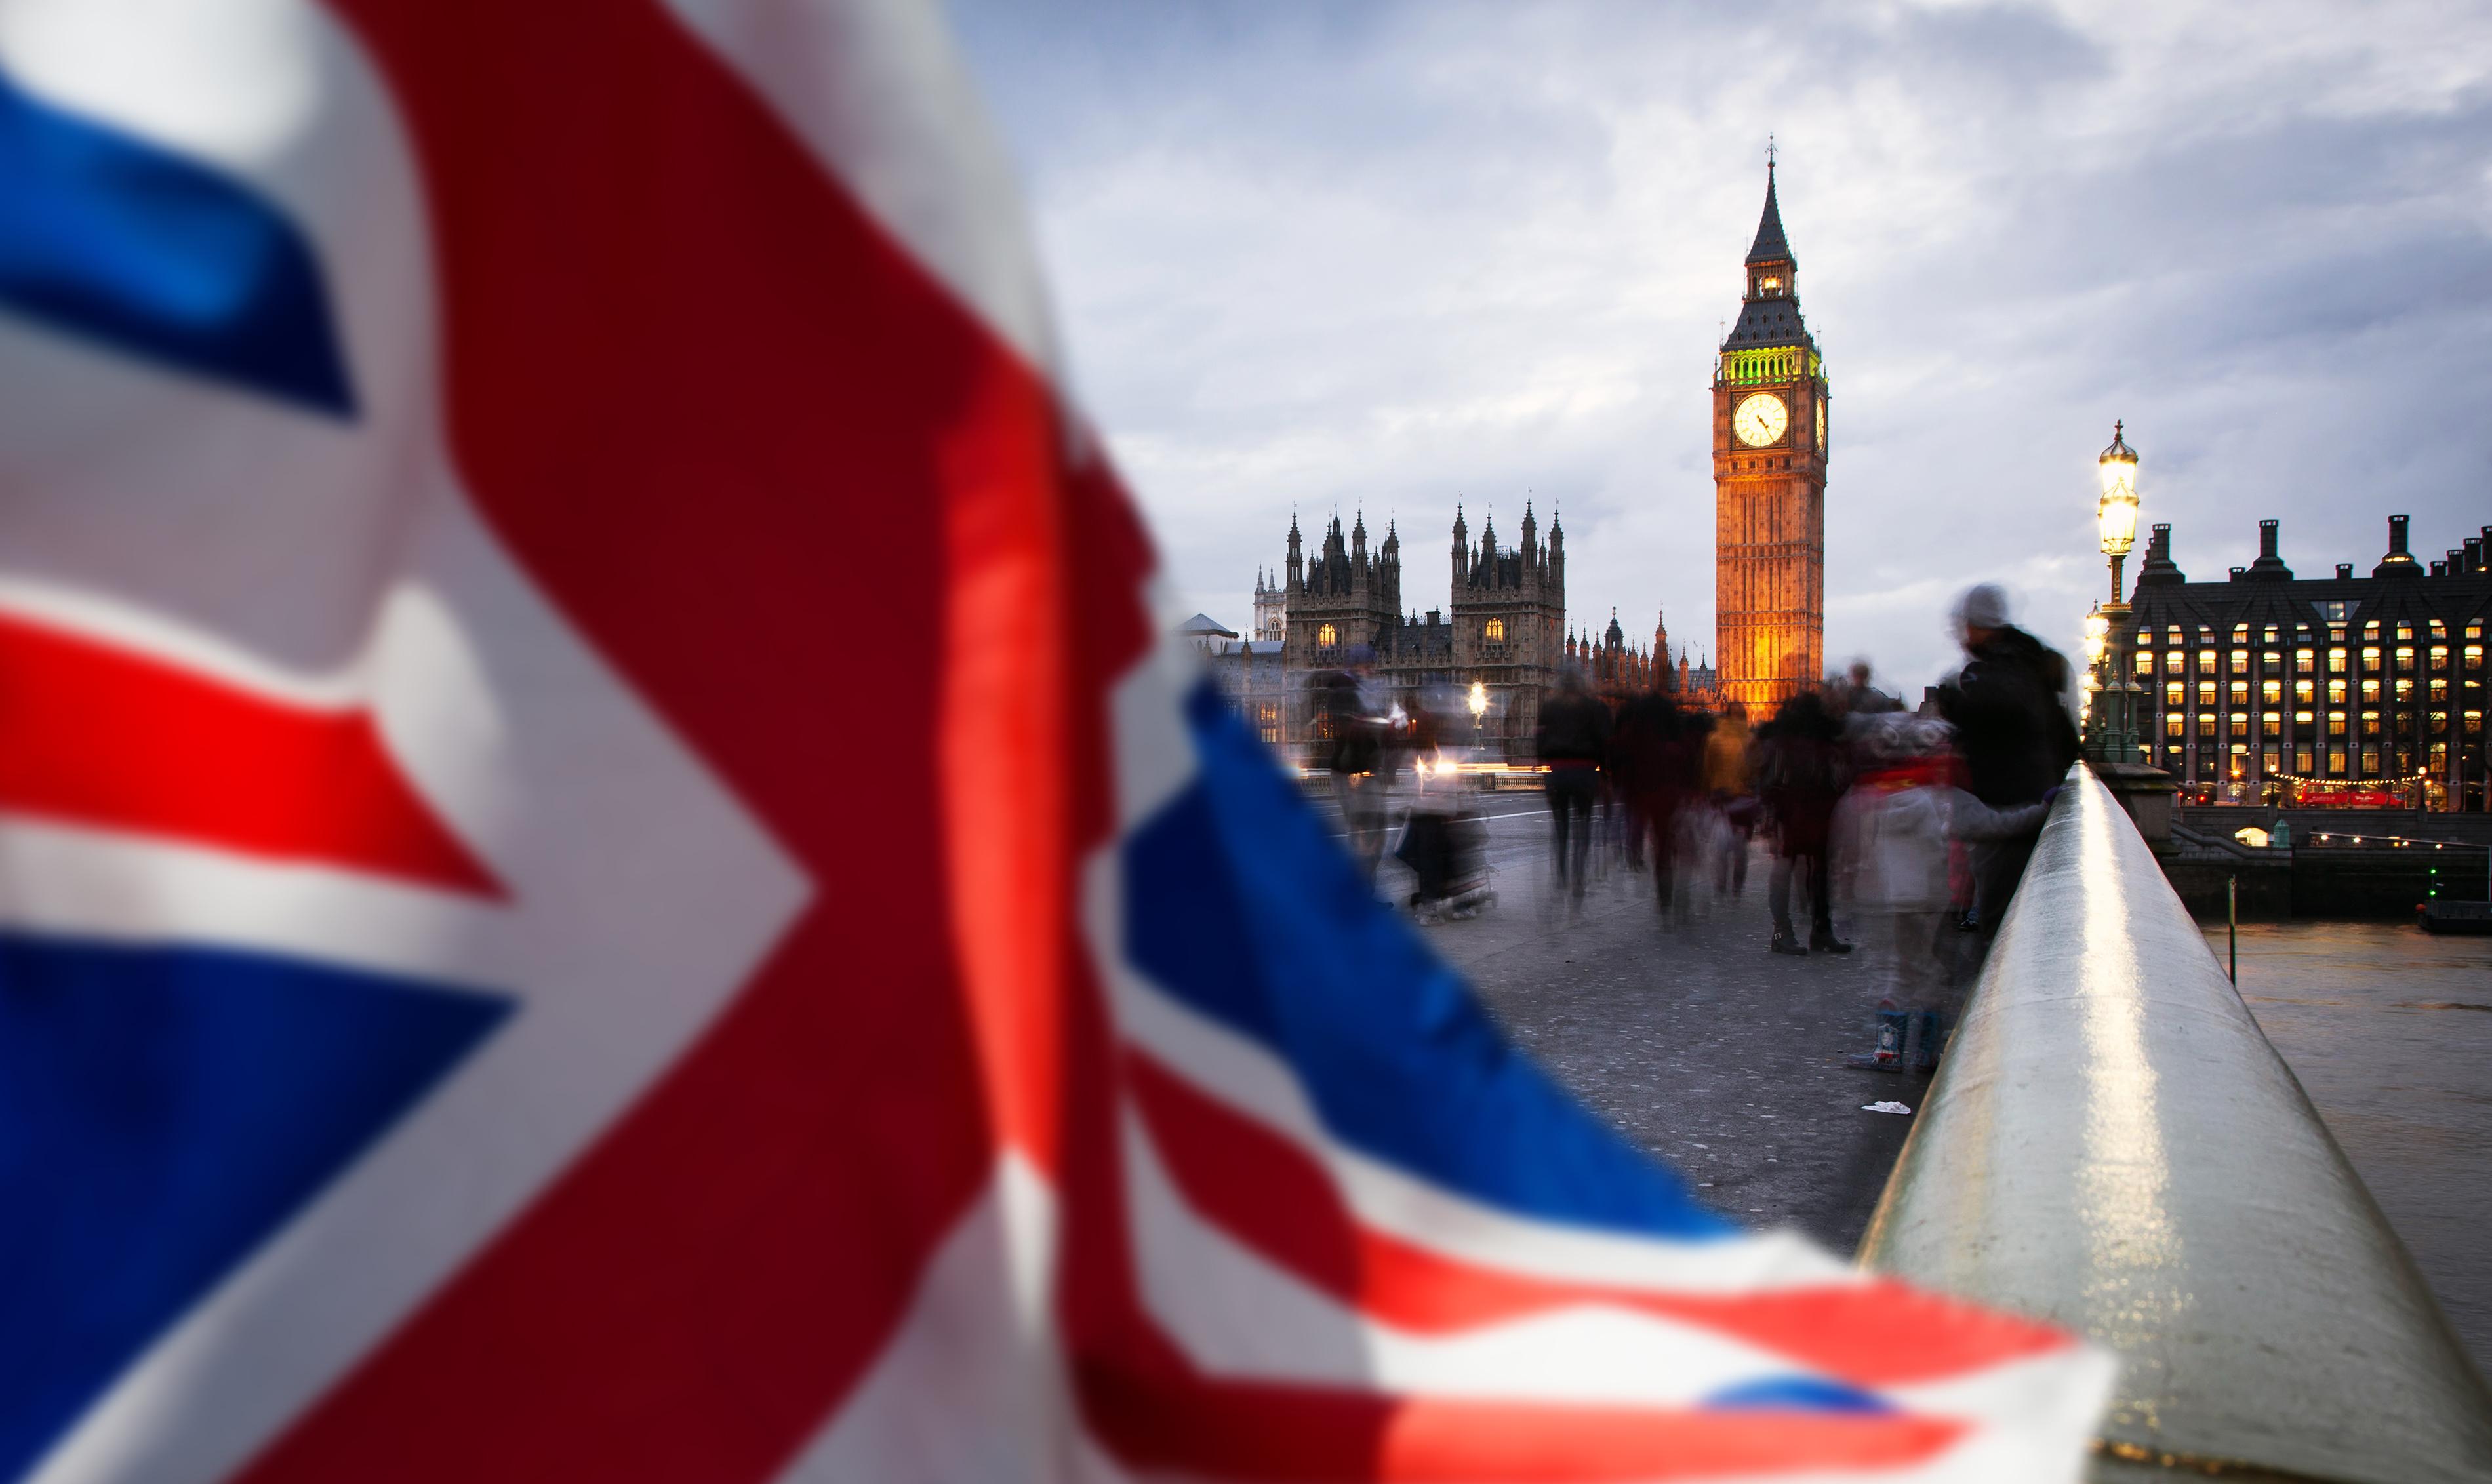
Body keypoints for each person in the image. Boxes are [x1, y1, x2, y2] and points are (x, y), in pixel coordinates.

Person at [1832, 715, 2049, 1072]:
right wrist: (2042, 809)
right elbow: (1996, 825)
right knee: (1932, 971)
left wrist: (1852, 889)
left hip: (1891, 898)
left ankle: (1889, 1050)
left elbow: (1850, 844)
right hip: (1934, 896)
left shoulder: (1875, 795)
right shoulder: (1945, 798)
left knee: (1894, 970)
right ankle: (1928, 1052)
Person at [1933, 584, 2080, 930]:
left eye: (1966, 626)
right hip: (2026, 801)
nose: (1961, 636)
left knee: (2003, 925)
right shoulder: (2031, 658)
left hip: (2012, 808)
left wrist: (1953, 699)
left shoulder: (2007, 667)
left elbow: (1996, 708)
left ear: (1980, 626)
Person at [1756, 690, 1851, 955]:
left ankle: (1813, 929)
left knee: (1812, 871)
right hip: (1797, 815)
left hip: (1808, 814)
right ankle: (1787, 931)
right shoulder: (1793, 746)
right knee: (1796, 870)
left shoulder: (1795, 744)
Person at [1534, 666, 1611, 912]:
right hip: (1585, 772)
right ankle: (1578, 877)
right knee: (1583, 827)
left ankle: (1562, 876)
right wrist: (1605, 771)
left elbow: (1539, 738)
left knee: (1561, 828)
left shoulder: (1550, 706)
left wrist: (1542, 761)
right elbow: (1603, 740)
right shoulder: (1592, 707)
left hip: (1558, 772)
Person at [1315, 660, 1390, 885]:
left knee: (1369, 832)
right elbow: (1353, 734)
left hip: (1360, 773)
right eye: (1366, 667)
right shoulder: (1346, 695)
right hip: (1353, 775)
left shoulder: (1361, 695)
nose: (1371, 671)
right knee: (1365, 832)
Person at [1702, 700, 1756, 896]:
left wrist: (1707, 790)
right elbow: (1756, 769)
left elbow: (1707, 769)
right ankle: (1736, 886)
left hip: (1722, 796)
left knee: (1721, 845)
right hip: (1740, 798)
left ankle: (1723, 884)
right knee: (1739, 847)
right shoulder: (1749, 739)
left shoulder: (1715, 738)